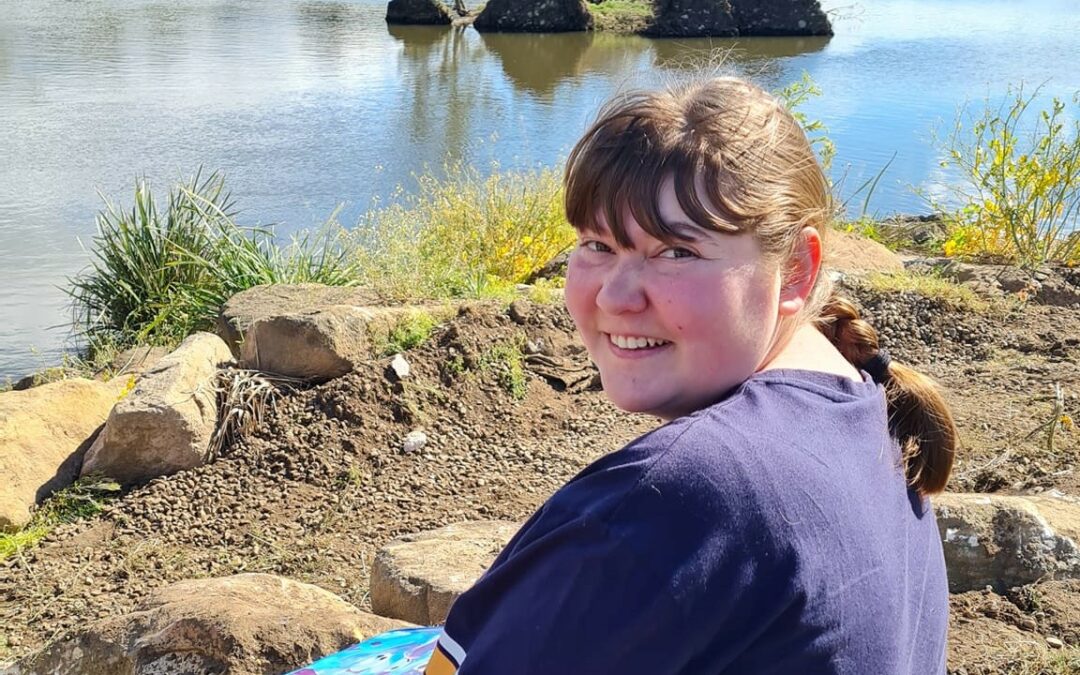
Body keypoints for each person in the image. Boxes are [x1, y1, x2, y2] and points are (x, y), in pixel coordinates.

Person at [423, 76, 957, 675]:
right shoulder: (870, 415)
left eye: (677, 252)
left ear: (797, 272)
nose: (617, 297)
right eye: (598, 244)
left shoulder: (684, 494)